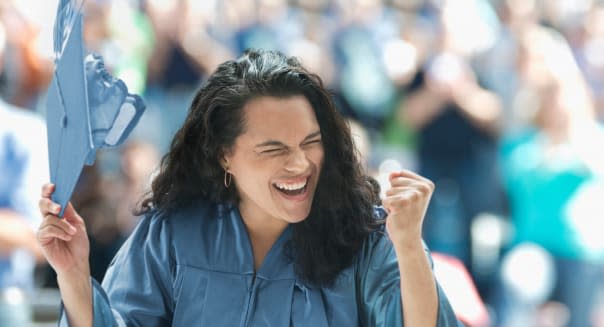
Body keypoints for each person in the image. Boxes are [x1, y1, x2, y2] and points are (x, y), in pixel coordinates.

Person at [37, 49, 460, 326]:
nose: (299, 163)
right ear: (224, 155)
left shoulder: (366, 237)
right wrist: (73, 274)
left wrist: (407, 246)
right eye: (272, 149)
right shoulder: (174, 233)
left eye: (311, 143)